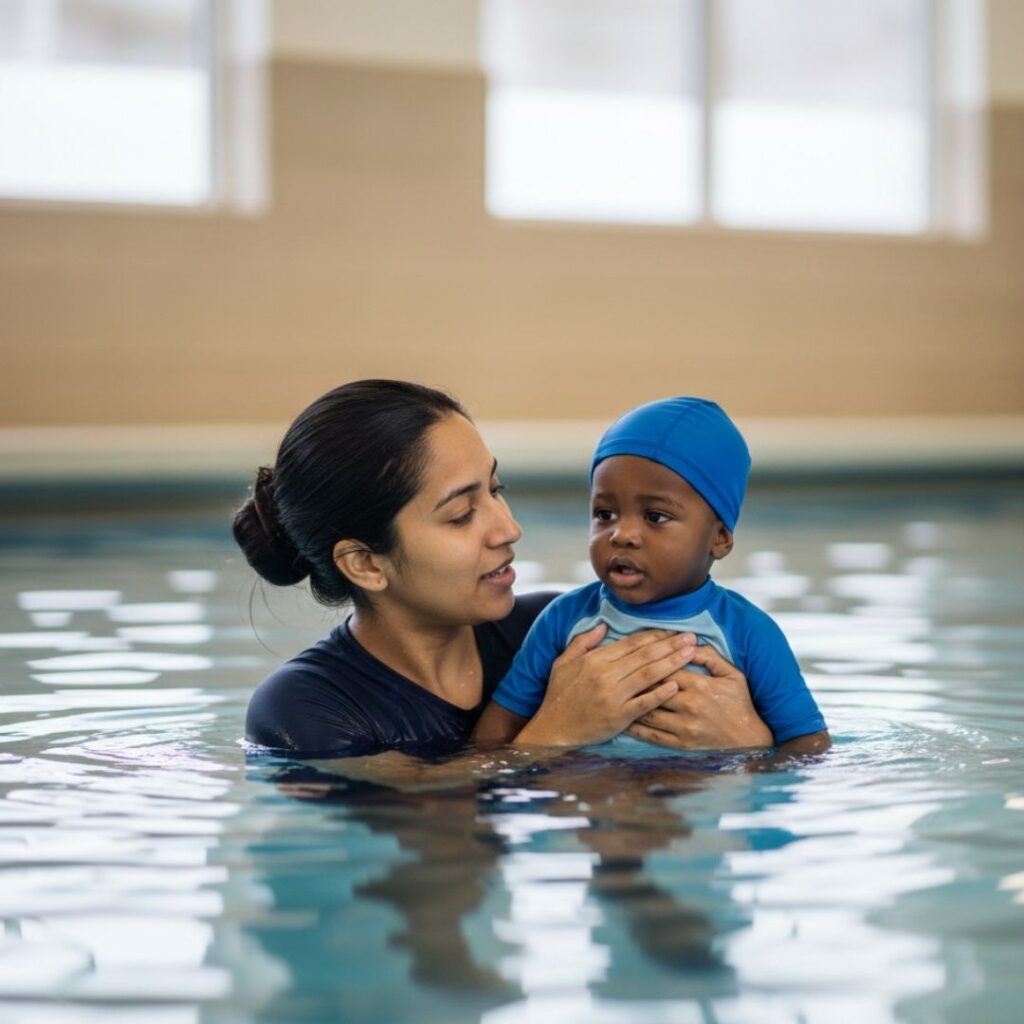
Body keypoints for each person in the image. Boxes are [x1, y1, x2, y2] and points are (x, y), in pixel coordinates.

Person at [234, 380, 776, 769]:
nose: (508, 528)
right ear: (367, 564)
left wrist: (752, 741)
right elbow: (414, 827)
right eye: (461, 514)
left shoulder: (558, 629)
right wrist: (553, 735)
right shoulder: (306, 710)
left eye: (495, 489)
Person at [473, 397, 831, 756]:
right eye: (605, 513)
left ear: (719, 538)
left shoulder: (749, 632)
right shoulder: (564, 620)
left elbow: (809, 748)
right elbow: (493, 737)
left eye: (655, 516)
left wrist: (749, 749)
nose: (622, 534)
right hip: (593, 794)